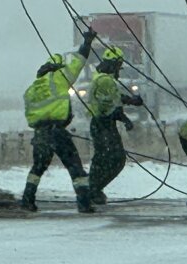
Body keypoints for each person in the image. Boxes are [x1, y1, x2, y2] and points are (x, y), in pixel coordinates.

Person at [21, 28, 96, 212]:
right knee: (75, 167)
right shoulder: (59, 78)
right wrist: (87, 43)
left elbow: (30, 115)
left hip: (40, 133)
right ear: (58, 66)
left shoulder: (31, 89)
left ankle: (27, 200)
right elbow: (79, 61)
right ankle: (84, 204)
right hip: (57, 131)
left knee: (37, 169)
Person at [86, 45, 144, 205]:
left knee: (103, 159)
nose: (120, 69)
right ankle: (93, 189)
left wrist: (132, 101)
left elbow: (115, 97)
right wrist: (126, 119)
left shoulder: (104, 79)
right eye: (119, 66)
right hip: (102, 124)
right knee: (114, 159)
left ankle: (93, 189)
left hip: (103, 124)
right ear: (115, 64)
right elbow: (111, 105)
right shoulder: (105, 80)